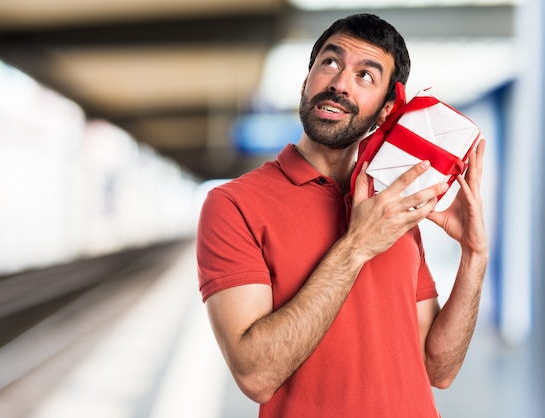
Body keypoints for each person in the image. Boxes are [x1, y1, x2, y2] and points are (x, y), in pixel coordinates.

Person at [196, 13, 488, 418]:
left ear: (387, 111)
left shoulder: (391, 206)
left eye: (365, 75)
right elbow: (256, 375)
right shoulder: (233, 205)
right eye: (330, 63)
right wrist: (355, 247)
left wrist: (474, 256)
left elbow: (439, 370)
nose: (339, 83)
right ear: (306, 81)